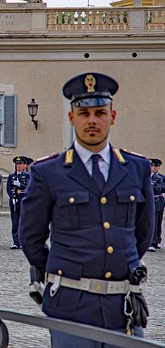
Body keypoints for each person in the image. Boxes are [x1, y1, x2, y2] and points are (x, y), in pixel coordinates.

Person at [19, 72, 154, 345]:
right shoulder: (49, 172)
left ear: (112, 117)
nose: (92, 120)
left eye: (100, 112)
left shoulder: (136, 169)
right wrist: (62, 270)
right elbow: (30, 238)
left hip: (122, 306)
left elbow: (144, 232)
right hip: (71, 305)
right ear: (72, 118)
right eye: (83, 113)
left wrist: (120, 265)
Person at [6, 156, 29, 249]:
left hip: (23, 200)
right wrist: (12, 197)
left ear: (24, 165)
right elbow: (8, 188)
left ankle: (23, 241)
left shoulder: (27, 175)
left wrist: (20, 185)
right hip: (14, 201)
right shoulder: (12, 176)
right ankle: (15, 241)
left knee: (23, 222)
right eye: (17, 164)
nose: (18, 166)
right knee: (15, 222)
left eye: (20, 164)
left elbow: (29, 186)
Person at [147, 158, 164, 252]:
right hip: (146, 201)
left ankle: (153, 242)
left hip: (156, 201)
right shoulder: (144, 177)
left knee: (155, 222)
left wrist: (150, 186)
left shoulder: (158, 178)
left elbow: (159, 189)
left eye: (154, 166)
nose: (153, 168)